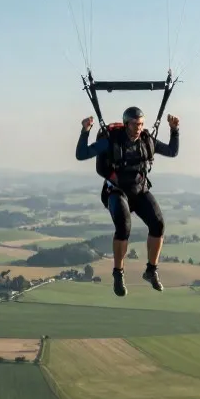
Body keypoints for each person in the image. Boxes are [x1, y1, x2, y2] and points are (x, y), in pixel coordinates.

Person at [75, 106, 179, 297]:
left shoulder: (147, 140)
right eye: (135, 124)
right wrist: (85, 131)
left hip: (139, 190)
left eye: (141, 124)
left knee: (158, 224)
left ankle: (151, 271)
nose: (139, 128)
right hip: (117, 191)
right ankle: (118, 274)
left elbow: (172, 151)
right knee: (124, 228)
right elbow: (81, 154)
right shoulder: (111, 141)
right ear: (126, 124)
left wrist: (174, 131)